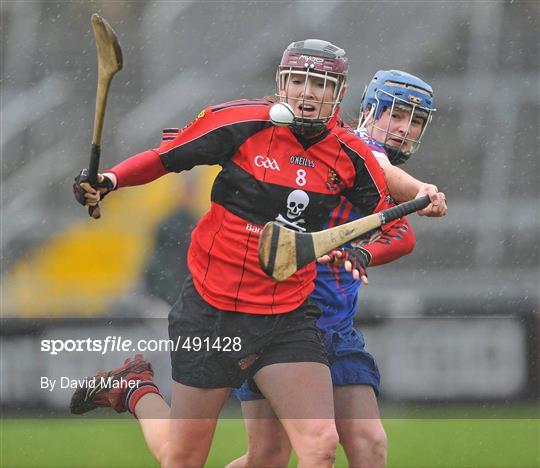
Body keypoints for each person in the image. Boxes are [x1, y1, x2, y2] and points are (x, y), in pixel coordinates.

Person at [71, 40, 447, 468]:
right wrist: (110, 180)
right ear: (281, 84)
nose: (307, 93)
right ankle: (136, 389)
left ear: (339, 95)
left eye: (320, 85)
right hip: (215, 310)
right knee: (188, 457)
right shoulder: (243, 122)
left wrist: (376, 237)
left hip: (288, 315)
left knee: (322, 445)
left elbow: (393, 215)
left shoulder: (348, 153)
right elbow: (166, 158)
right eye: (298, 81)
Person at [226, 70, 440, 468]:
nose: (404, 129)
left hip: (335, 326)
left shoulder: (373, 174)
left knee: (368, 443)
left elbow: (403, 237)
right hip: (280, 321)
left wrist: (364, 254)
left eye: (415, 121)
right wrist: (419, 190)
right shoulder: (353, 148)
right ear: (370, 110)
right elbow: (380, 164)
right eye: (396, 115)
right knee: (270, 456)